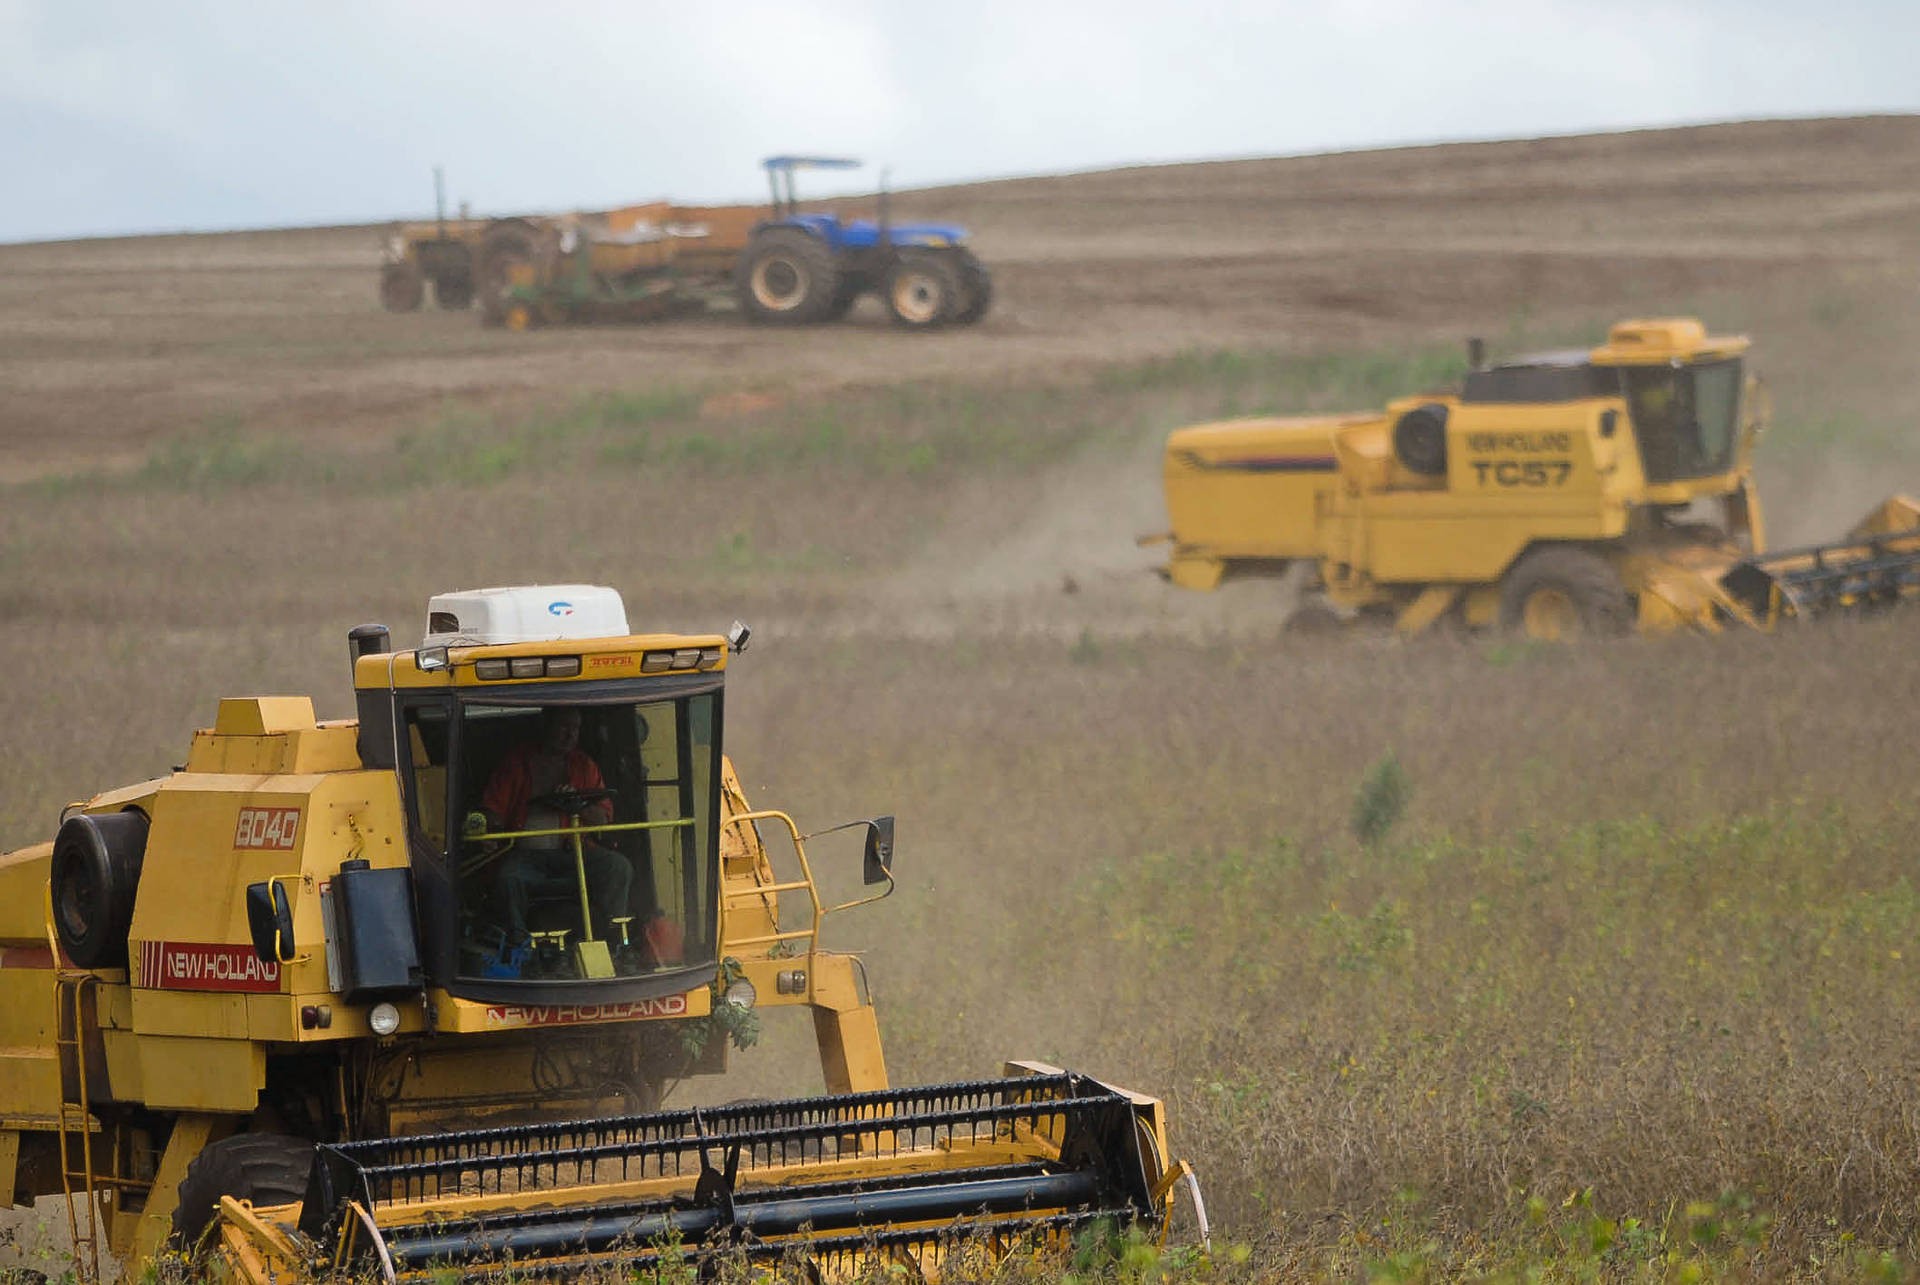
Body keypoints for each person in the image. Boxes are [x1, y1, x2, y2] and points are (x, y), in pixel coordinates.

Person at [474, 707, 632, 949]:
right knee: (508, 878)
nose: (570, 735)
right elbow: (492, 810)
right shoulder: (517, 764)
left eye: (575, 728)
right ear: (546, 726)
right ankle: (518, 944)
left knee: (618, 867)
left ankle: (611, 941)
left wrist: (576, 806)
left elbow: (603, 818)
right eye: (564, 727)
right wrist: (487, 830)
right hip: (526, 857)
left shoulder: (584, 766)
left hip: (575, 854)